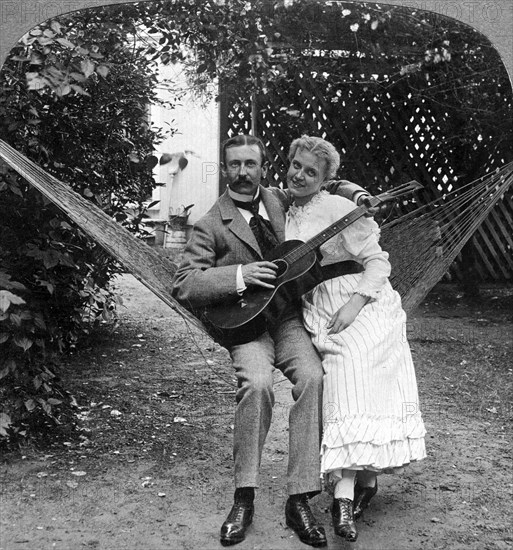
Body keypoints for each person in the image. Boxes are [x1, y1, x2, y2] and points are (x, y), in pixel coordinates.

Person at [172, 134, 370, 547]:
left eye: (251, 164)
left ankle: (299, 498)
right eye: (234, 165)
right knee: (258, 385)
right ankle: (244, 497)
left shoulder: (282, 198)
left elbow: (329, 184)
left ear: (264, 167)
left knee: (314, 379)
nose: (243, 173)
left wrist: (358, 192)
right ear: (224, 169)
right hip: (247, 329)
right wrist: (241, 276)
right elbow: (185, 283)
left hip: (288, 321)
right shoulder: (211, 223)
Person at [284, 135, 427, 542]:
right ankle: (364, 482)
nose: (301, 175)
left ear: (326, 178)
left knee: (352, 369)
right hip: (319, 305)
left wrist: (356, 305)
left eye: (312, 172)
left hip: (363, 301)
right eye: (296, 165)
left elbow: (378, 261)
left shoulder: (339, 207)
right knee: (347, 376)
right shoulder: (281, 206)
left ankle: (344, 498)